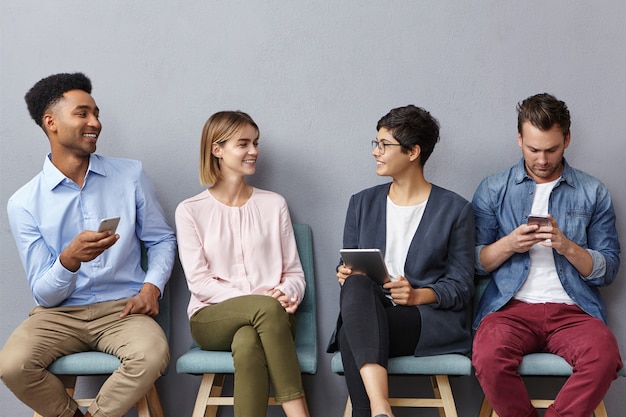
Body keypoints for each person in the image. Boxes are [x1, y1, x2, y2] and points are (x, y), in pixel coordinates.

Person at [0, 73, 177, 417]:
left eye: (96, 113)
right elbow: (44, 294)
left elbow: (161, 240)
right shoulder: (23, 203)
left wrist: (152, 287)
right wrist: (68, 260)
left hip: (123, 310)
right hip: (59, 315)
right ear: (51, 123)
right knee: (12, 365)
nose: (95, 122)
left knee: (151, 356)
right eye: (82, 114)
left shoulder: (131, 175)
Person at [472, 93, 623, 417]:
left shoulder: (593, 191)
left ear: (567, 139)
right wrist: (509, 244)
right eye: (533, 149)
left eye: (551, 149)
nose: (542, 159)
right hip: (510, 310)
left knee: (605, 355)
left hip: (573, 311)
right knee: (487, 356)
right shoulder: (493, 189)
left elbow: (609, 268)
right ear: (519, 139)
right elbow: (473, 264)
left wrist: (566, 245)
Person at [327, 105, 475, 417]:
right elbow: (349, 260)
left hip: (424, 318)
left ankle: (371, 411)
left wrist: (418, 295)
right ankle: (382, 409)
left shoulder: (455, 210)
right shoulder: (361, 203)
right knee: (355, 283)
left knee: (349, 334)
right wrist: (344, 272)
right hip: (369, 308)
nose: (375, 152)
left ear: (413, 152)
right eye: (376, 144)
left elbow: (462, 285)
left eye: (384, 145)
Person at [175, 111, 309, 417]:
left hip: (274, 317)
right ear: (216, 149)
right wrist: (261, 300)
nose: (254, 151)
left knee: (248, 343)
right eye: (243, 144)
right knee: (264, 309)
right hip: (211, 318)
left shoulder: (274, 204)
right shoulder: (190, 211)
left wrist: (287, 293)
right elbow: (199, 283)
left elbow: (294, 274)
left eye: (256, 143)